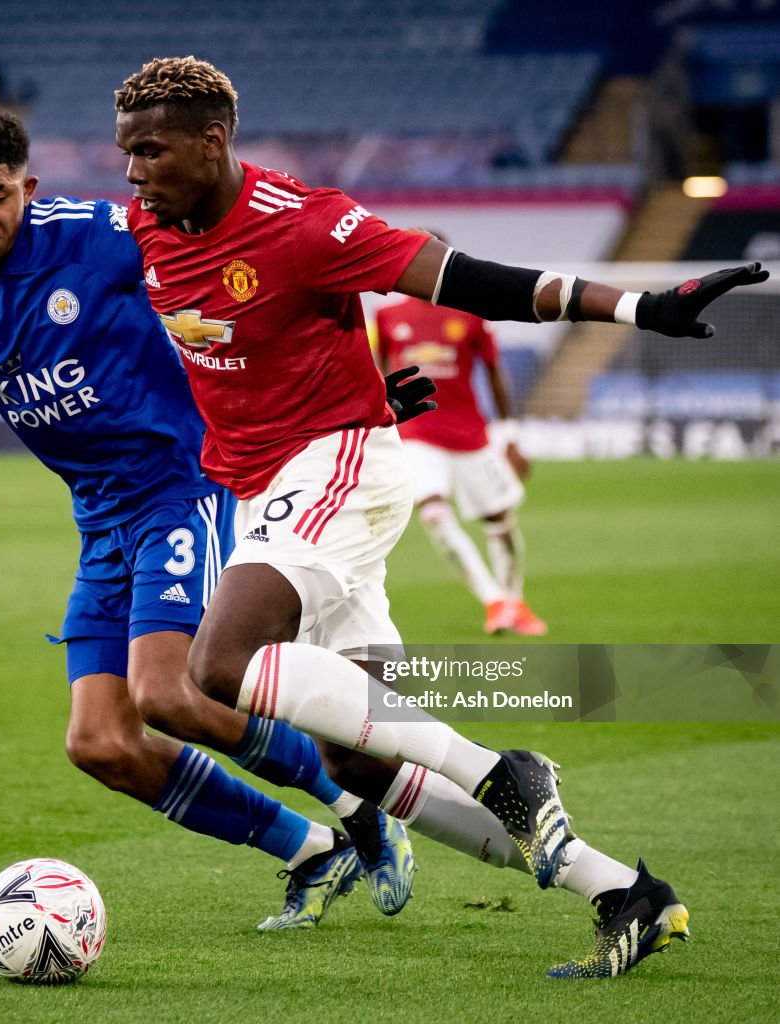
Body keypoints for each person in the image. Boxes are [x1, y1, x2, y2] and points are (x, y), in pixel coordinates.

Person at [115, 55, 767, 976]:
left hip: (337, 463)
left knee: (219, 664)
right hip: (267, 489)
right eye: (126, 155)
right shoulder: (145, 225)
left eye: (151, 151)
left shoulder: (305, 223)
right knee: (360, 763)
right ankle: (625, 892)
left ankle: (508, 773)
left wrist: (637, 304)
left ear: (212, 141)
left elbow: (469, 278)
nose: (134, 173)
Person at [0, 100, 419, 934]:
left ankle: (360, 805)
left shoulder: (105, 233)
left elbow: (242, 283)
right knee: (101, 742)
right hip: (101, 519)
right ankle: (311, 850)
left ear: (25, 187)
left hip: (186, 484)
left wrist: (339, 393)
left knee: (166, 693)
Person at [376, 285, 546, 636]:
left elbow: (495, 372)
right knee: (434, 515)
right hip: (417, 433)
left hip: (470, 435)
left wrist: (510, 437)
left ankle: (515, 602)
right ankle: (494, 600)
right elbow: (379, 379)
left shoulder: (471, 314)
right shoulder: (387, 316)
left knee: (500, 520)